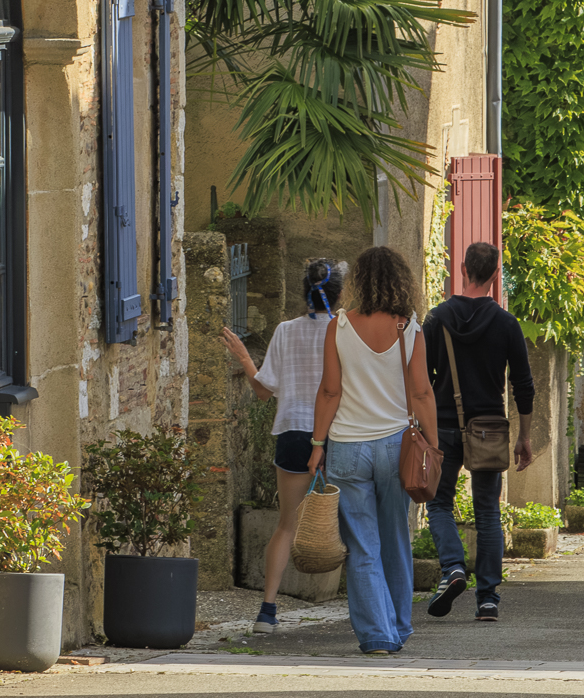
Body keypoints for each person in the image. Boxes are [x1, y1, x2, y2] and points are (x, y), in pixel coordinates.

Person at [308, 247, 438, 655]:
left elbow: (330, 391)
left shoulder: (339, 327)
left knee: (362, 545)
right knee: (395, 537)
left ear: (359, 280)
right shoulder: (409, 327)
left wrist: (316, 444)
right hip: (395, 446)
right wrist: (432, 445)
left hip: (347, 448)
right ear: (401, 281)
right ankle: (398, 627)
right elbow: (421, 391)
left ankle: (376, 635)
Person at [221, 259, 346, 635]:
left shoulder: (285, 331)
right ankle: (366, 610)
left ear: (302, 291)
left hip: (294, 432)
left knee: (286, 525)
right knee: (356, 525)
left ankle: (267, 612)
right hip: (339, 433)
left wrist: (245, 359)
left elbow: (262, 391)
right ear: (339, 294)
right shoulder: (345, 332)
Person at [421, 241, 535, 624]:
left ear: (463, 269)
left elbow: (421, 379)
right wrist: (525, 437)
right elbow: (523, 385)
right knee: (487, 510)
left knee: (438, 503)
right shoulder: (506, 324)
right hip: (489, 429)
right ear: (495, 275)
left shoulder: (436, 320)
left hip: (443, 426)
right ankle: (487, 599)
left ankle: (452, 568)